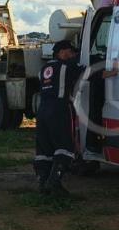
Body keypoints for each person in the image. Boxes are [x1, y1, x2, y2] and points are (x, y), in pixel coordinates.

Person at [34, 38, 83, 194]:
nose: (72, 55)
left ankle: (42, 182)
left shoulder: (42, 70)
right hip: (59, 109)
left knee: (44, 148)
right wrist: (113, 71)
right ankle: (55, 182)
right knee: (65, 145)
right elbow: (91, 73)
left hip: (42, 111)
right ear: (62, 52)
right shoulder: (66, 67)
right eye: (70, 52)